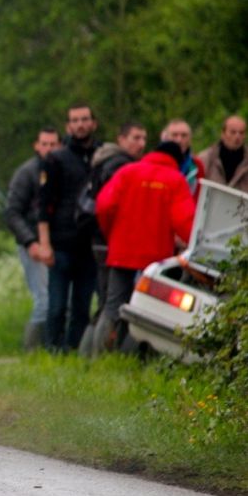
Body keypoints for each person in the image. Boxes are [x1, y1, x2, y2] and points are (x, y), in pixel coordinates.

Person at [94, 141, 196, 351]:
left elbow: (104, 206)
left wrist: (110, 234)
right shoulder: (175, 180)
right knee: (150, 308)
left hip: (122, 252)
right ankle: (139, 355)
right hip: (156, 257)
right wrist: (194, 245)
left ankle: (101, 355)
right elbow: (185, 220)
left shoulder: (127, 172)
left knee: (113, 306)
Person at [36, 102, 101, 352]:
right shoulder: (56, 159)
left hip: (89, 243)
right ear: (68, 126)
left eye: (85, 119)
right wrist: (44, 244)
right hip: (61, 242)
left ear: (93, 123)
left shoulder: (102, 156)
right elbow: (43, 204)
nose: (80, 124)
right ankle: (53, 350)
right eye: (75, 120)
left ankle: (74, 351)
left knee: (82, 306)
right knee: (57, 305)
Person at [84, 122, 147, 353]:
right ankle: (99, 356)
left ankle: (91, 354)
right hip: (111, 242)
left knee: (106, 303)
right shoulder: (120, 166)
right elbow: (107, 206)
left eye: (143, 138)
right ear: (121, 139)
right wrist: (113, 231)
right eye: (135, 137)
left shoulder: (105, 159)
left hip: (103, 240)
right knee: (111, 304)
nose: (141, 144)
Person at [5, 127, 60, 349]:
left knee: (56, 300)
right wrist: (30, 242)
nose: (48, 148)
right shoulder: (26, 173)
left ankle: (52, 347)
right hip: (33, 245)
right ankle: (32, 350)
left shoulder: (62, 170)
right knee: (43, 300)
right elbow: (12, 212)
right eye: (44, 143)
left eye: (53, 144)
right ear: (36, 145)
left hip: (57, 244)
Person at [197, 115, 248, 193]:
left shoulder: (247, 160)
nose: (237, 136)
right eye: (233, 132)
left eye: (241, 133)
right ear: (223, 133)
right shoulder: (206, 158)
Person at [162, 119, 205, 196]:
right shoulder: (158, 163)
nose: (179, 140)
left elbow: (199, 195)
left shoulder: (197, 165)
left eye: (184, 135)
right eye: (174, 135)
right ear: (166, 138)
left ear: (190, 139)